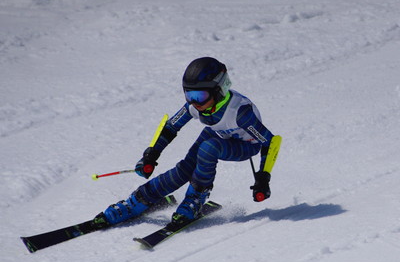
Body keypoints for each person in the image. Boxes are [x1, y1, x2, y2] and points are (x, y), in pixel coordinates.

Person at [101, 57, 280, 226]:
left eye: (199, 96)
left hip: (246, 145)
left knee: (208, 148)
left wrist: (263, 177)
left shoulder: (240, 113)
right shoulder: (194, 107)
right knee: (184, 169)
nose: (194, 102)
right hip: (219, 133)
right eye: (189, 94)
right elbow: (170, 127)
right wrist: (151, 154)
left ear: (218, 90)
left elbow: (269, 142)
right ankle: (139, 200)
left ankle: (196, 198)